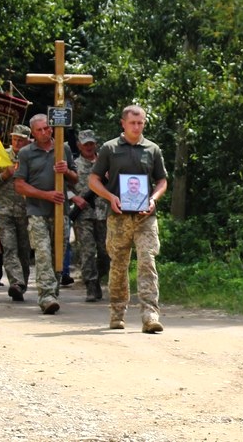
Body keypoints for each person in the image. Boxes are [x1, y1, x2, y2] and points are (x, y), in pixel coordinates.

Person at [88, 105, 168, 333]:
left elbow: (162, 180)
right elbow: (93, 180)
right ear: (123, 123)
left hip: (146, 217)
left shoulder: (152, 149)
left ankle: (150, 315)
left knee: (147, 262)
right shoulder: (109, 149)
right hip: (119, 217)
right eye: (132, 122)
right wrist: (110, 197)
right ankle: (117, 313)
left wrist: (153, 199)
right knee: (119, 265)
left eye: (140, 122)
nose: (137, 126)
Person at [14, 113, 76, 315]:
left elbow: (75, 179)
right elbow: (20, 185)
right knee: (42, 253)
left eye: (47, 128)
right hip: (37, 211)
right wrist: (45, 195)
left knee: (57, 253)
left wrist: (66, 171)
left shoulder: (63, 148)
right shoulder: (26, 153)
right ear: (32, 132)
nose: (44, 132)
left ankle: (53, 292)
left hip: (61, 212)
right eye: (39, 130)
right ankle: (46, 296)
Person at [0, 124, 32, 301]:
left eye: (21, 139)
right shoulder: (1, 157)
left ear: (28, 140)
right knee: (9, 247)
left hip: (26, 211)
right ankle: (16, 282)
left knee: (24, 251)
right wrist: (5, 175)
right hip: (4, 211)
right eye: (14, 139)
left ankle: (22, 285)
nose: (17, 142)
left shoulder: (32, 156)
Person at [71, 130, 109, 302]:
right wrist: (74, 197)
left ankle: (99, 277)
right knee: (87, 251)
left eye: (91, 144)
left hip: (104, 213)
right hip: (84, 214)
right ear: (79, 145)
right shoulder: (73, 165)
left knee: (105, 252)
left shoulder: (105, 163)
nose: (88, 147)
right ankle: (91, 286)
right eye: (85, 144)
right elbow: (62, 185)